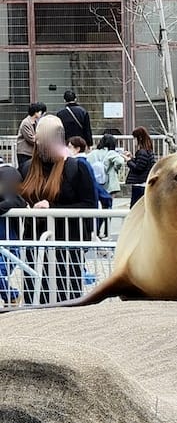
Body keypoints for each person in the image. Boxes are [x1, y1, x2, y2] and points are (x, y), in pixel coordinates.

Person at [19, 115, 96, 304]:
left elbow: (90, 206)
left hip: (67, 246)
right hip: (34, 245)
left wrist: (52, 208)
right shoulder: (27, 168)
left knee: (67, 299)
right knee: (35, 297)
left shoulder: (77, 168)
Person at [0, 163, 26, 306]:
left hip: (8, 244)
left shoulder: (7, 174)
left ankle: (12, 295)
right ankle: (11, 296)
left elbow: (16, 201)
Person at [123, 127, 156, 207]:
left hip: (139, 184)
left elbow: (138, 168)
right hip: (144, 183)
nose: (134, 140)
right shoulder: (147, 150)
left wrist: (128, 161)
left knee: (135, 208)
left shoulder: (142, 152)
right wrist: (132, 158)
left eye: (135, 138)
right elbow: (142, 164)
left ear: (139, 138)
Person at [16, 102, 46, 168]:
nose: (41, 113)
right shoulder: (25, 123)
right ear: (35, 112)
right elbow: (31, 139)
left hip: (31, 152)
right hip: (24, 152)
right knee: (24, 170)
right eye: (40, 111)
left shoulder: (36, 122)